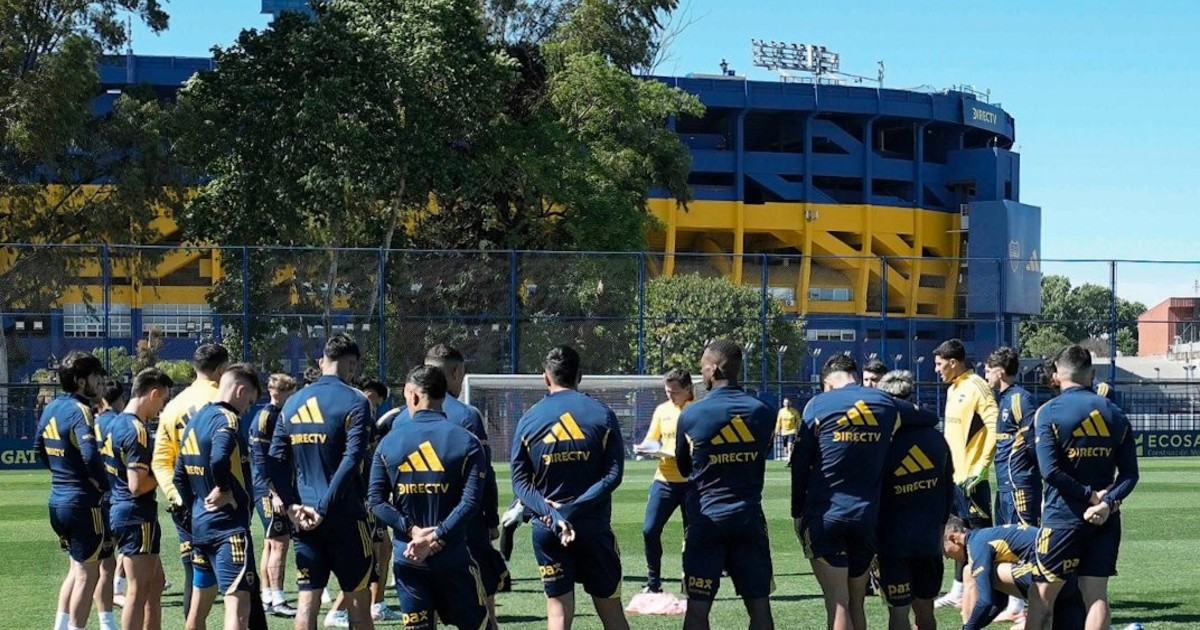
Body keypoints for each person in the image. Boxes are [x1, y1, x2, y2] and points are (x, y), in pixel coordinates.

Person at [510, 345, 629, 630]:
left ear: (545, 377)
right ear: (580, 375)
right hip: (592, 529)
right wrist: (571, 510)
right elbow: (613, 475)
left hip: (548, 529)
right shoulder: (602, 414)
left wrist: (553, 515)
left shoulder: (529, 419)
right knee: (612, 614)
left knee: (558, 614)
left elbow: (520, 483)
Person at [368, 365, 489, 630]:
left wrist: (413, 532)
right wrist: (437, 535)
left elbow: (376, 501)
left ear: (412, 395)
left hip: (408, 556)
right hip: (453, 558)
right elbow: (470, 502)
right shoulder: (467, 442)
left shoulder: (388, 442)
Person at [1026, 346, 1139, 630]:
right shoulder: (1115, 412)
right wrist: (1106, 503)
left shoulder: (1048, 412)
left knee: (1041, 599)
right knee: (1097, 597)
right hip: (1105, 519)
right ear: (1093, 373)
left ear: (1056, 375)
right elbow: (1130, 474)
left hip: (1062, 517)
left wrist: (1088, 496)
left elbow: (1050, 471)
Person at [268, 334, 376, 630]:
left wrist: (292, 506)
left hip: (304, 518)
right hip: (346, 516)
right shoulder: (356, 400)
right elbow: (352, 459)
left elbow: (274, 460)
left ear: (321, 362)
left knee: (307, 603)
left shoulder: (293, 403)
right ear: (352, 365)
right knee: (358, 604)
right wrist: (325, 508)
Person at [792, 354, 899, 630]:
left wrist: (797, 510)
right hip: (867, 517)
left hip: (826, 514)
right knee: (856, 603)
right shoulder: (885, 403)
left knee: (837, 603)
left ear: (828, 383)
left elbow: (800, 463)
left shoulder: (819, 404)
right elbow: (923, 417)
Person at [675, 340, 775, 630]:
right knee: (760, 608)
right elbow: (764, 452)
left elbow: (683, 468)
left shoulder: (691, 414)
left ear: (715, 369)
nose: (701, 374)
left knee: (697, 610)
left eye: (703, 367)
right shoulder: (763, 411)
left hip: (706, 521)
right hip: (749, 519)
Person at [174, 364, 264, 630]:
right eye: (250, 402)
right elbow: (218, 457)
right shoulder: (227, 419)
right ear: (240, 390)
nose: (247, 409)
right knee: (238, 610)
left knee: (197, 612)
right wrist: (224, 490)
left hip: (201, 529)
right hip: (229, 530)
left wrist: (197, 505)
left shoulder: (194, 421)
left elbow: (179, 476)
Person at [152, 343, 230, 618]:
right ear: (222, 369)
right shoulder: (224, 400)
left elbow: (160, 461)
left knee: (194, 572)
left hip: (186, 503)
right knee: (237, 580)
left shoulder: (173, 406)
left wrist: (177, 496)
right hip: (222, 501)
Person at [34, 351, 109, 630]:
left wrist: (62, 474)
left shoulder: (52, 407)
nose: (99, 381)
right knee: (88, 575)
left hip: (58, 501)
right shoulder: (81, 410)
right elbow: (90, 455)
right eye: (95, 376)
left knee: (77, 569)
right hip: (82, 504)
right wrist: (103, 484)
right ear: (80, 381)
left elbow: (38, 448)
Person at [875, 370, 953, 630]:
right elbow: (948, 488)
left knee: (898, 613)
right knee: (926, 611)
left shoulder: (884, 440)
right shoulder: (936, 437)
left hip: (893, 539)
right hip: (928, 538)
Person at [103, 368, 175, 630]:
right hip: (136, 514)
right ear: (153, 394)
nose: (162, 407)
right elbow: (137, 486)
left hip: (123, 509)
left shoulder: (115, 423)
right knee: (138, 589)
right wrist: (167, 471)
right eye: (163, 400)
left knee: (155, 584)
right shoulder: (137, 430)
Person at [932, 338, 999, 609]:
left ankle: (989, 594)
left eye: (939, 364)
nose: (936, 369)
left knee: (980, 538)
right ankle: (959, 591)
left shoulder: (977, 386)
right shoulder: (953, 388)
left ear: (953, 362)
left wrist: (982, 467)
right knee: (957, 534)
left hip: (972, 478)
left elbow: (995, 427)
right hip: (954, 478)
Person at [942, 519, 1086, 630]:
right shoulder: (985, 536)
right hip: (1069, 577)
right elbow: (999, 601)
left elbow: (985, 602)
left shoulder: (976, 545)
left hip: (1049, 578)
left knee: (969, 571)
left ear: (953, 538)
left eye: (944, 550)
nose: (946, 557)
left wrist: (968, 628)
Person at [985, 346, 1038, 621]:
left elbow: (1033, 443)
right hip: (1005, 484)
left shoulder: (1020, 399)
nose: (985, 375)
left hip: (1019, 484)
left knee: (1026, 541)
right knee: (1006, 543)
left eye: (987, 370)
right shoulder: (1003, 399)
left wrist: (1030, 474)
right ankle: (1015, 606)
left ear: (1000, 372)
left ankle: (1035, 605)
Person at [633, 368, 693, 594]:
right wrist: (645, 448)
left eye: (674, 392)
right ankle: (653, 583)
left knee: (692, 534)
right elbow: (652, 438)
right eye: (667, 391)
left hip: (692, 481)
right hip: (664, 479)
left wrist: (683, 454)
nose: (670, 396)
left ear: (688, 389)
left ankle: (691, 580)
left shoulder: (697, 410)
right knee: (649, 530)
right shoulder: (662, 410)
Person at [249, 373, 298, 618]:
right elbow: (260, 461)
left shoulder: (281, 414)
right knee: (280, 542)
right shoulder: (266, 417)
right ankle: (278, 598)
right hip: (268, 490)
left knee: (271, 542)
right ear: (278, 393)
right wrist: (275, 493)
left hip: (277, 487)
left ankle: (267, 596)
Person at [95, 377, 127, 630]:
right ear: (121, 399)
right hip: (115, 494)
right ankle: (108, 617)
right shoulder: (120, 422)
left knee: (91, 564)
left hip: (93, 496)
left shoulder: (92, 421)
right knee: (108, 561)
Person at [774, 397, 799, 461]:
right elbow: (778, 422)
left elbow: (798, 420)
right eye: (785, 403)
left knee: (790, 446)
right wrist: (777, 430)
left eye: (788, 403)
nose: (787, 404)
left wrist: (798, 427)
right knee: (786, 448)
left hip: (792, 431)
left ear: (790, 403)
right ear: (783, 403)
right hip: (784, 432)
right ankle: (788, 455)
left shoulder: (795, 411)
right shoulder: (781, 411)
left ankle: (789, 460)